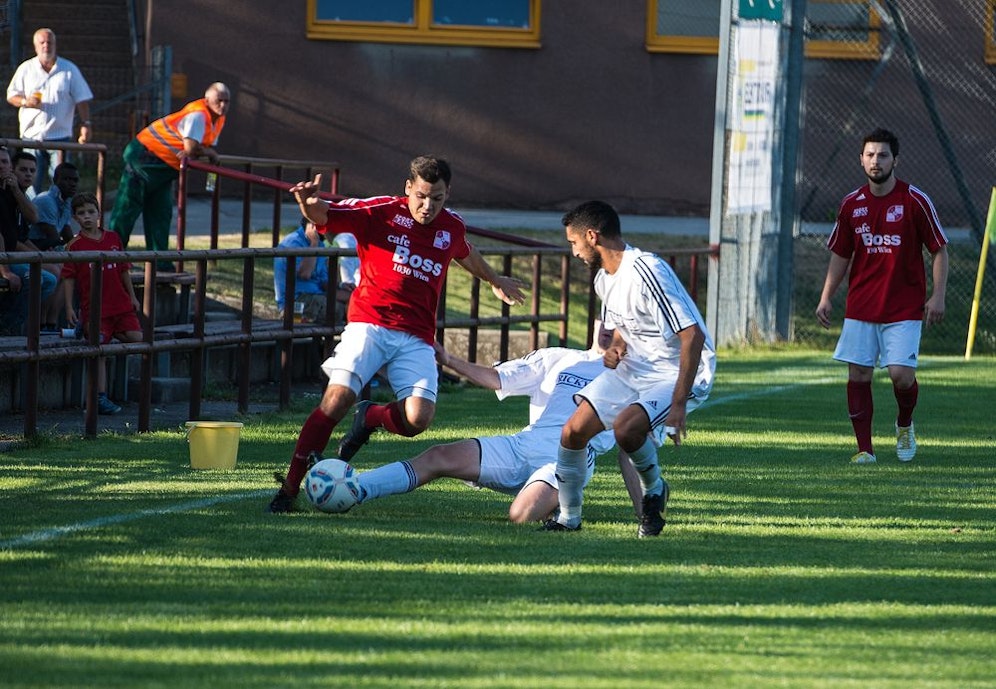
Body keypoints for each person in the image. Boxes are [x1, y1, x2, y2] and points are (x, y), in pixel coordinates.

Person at [267, 155, 527, 513]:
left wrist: (494, 279)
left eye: (437, 198)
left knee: (418, 419)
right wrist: (309, 205)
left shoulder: (451, 226)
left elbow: (465, 252)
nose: (428, 206)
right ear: (408, 188)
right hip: (370, 325)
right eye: (421, 196)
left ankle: (370, 416)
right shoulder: (380, 211)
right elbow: (325, 215)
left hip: (417, 336)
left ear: (447, 194)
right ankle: (289, 488)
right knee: (336, 399)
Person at [291, 329, 656, 522]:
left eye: (619, 326)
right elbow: (498, 378)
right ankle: (355, 489)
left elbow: (631, 448)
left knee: (521, 516)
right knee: (437, 456)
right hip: (522, 445)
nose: (609, 330)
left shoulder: (633, 381)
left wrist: (645, 508)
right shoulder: (559, 358)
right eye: (606, 321)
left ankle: (558, 505)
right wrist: (449, 359)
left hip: (566, 460)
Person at [544, 200, 716, 537]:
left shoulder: (647, 270)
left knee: (626, 429)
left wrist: (678, 403)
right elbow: (624, 328)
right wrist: (617, 349)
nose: (574, 252)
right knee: (572, 432)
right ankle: (568, 518)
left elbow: (692, 335)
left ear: (592, 236)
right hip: (634, 368)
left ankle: (653, 492)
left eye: (574, 242)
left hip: (675, 371)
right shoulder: (603, 279)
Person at [816, 128, 948, 465]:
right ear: (861, 160)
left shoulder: (915, 200)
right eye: (870, 155)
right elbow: (841, 254)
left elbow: (939, 250)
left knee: (901, 376)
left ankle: (904, 423)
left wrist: (938, 296)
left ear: (895, 160)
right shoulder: (851, 204)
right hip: (861, 307)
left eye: (883, 155)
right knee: (858, 376)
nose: (876, 161)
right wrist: (826, 296)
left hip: (904, 307)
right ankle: (865, 450)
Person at [108, 82, 230, 264]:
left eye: (227, 101)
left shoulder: (218, 120)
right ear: (207, 100)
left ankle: (160, 263)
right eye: (219, 100)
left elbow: (198, 149)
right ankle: (111, 258)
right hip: (145, 157)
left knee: (161, 213)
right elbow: (191, 147)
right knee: (127, 209)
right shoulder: (198, 115)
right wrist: (207, 153)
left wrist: (203, 153)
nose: (223, 105)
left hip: (165, 168)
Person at [62, 192, 143, 415]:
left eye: (91, 211)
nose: (87, 216)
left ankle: (98, 332)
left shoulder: (113, 238)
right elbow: (68, 278)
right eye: (81, 213)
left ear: (99, 213)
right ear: (75, 218)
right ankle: (100, 397)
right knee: (99, 350)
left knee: (137, 339)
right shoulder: (74, 245)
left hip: (120, 304)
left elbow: (124, 269)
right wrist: (68, 307)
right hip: (95, 309)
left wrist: (133, 296)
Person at [5, 28, 93, 194]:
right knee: (30, 185)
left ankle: (58, 211)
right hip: (31, 138)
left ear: (55, 44)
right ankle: (30, 211)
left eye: (49, 42)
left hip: (60, 139)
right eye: (42, 42)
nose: (46, 46)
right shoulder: (26, 68)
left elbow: (82, 98)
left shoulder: (69, 69)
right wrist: (25, 102)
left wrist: (86, 124)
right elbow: (11, 96)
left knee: (62, 184)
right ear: (35, 46)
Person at [0, 146, 56, 334]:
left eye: (4, 162)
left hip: (10, 257)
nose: (28, 174)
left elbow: (33, 218)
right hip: (5, 259)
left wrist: (17, 191)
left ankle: (42, 325)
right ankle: (8, 326)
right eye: (23, 169)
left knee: (52, 275)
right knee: (40, 278)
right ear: (15, 170)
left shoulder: (14, 192)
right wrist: (6, 271)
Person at [272, 217, 355, 324]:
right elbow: (305, 274)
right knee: (339, 310)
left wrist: (341, 286)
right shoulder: (293, 243)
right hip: (295, 302)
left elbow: (324, 281)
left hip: (316, 295)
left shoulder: (321, 245)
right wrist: (314, 243)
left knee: (355, 299)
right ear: (312, 226)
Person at [30, 161, 79, 329]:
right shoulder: (46, 200)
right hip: (33, 249)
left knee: (73, 268)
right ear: (55, 180)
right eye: (67, 179)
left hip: (48, 250)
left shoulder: (66, 201)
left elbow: (67, 233)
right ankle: (41, 322)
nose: (72, 184)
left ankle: (51, 322)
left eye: (75, 180)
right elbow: (54, 237)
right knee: (59, 270)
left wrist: (85, 251)